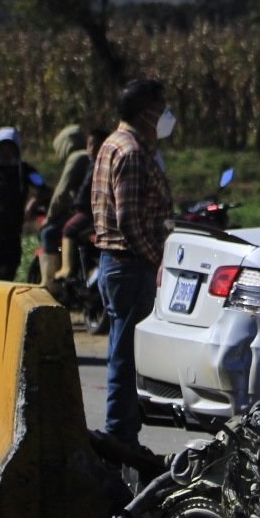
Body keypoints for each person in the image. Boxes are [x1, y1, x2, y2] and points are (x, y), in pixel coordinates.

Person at [91, 78, 176, 456]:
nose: (167, 117)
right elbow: (130, 220)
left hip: (117, 264)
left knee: (123, 350)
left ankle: (124, 429)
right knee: (127, 356)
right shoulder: (133, 153)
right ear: (147, 114)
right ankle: (119, 436)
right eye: (162, 110)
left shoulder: (113, 143)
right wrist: (156, 259)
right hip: (130, 266)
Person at [40, 125, 102, 286]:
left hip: (87, 212)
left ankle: (50, 283)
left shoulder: (77, 158)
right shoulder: (91, 157)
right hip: (97, 211)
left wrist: (50, 217)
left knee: (50, 232)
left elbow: (61, 192)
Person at [0, 127, 41, 282]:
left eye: (10, 149)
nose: (6, 153)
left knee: (9, 268)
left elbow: (42, 187)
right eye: (2, 148)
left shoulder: (24, 171)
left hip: (13, 230)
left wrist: (33, 201)